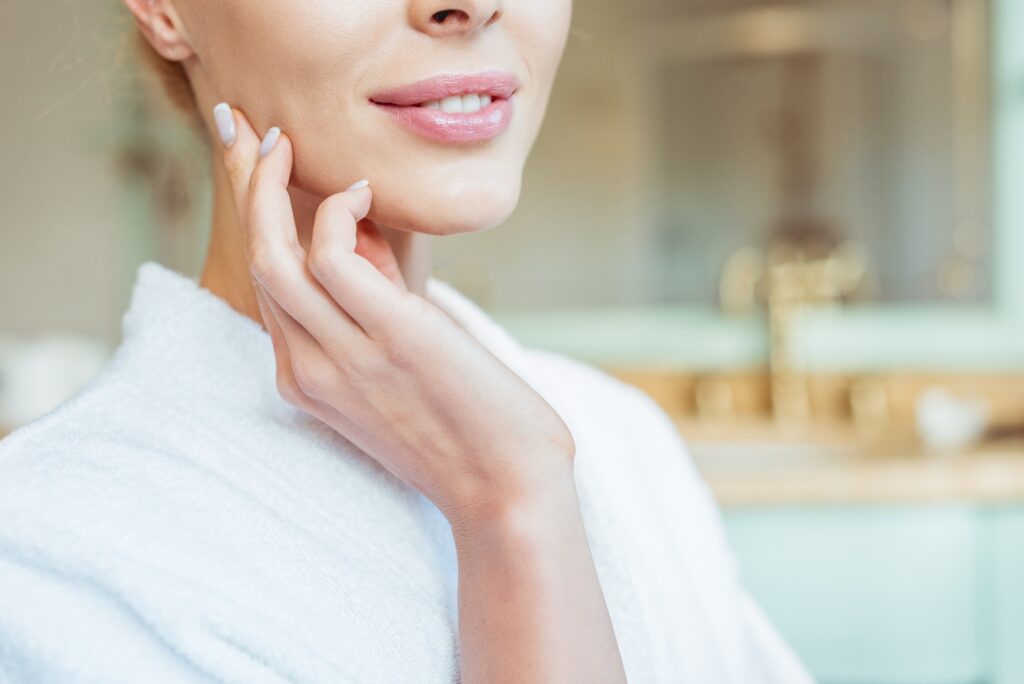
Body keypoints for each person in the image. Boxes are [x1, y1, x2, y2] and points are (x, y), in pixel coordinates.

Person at [0, 0, 813, 682]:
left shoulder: (623, 440)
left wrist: (524, 484)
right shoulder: (45, 549)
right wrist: (512, 513)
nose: (465, 3)